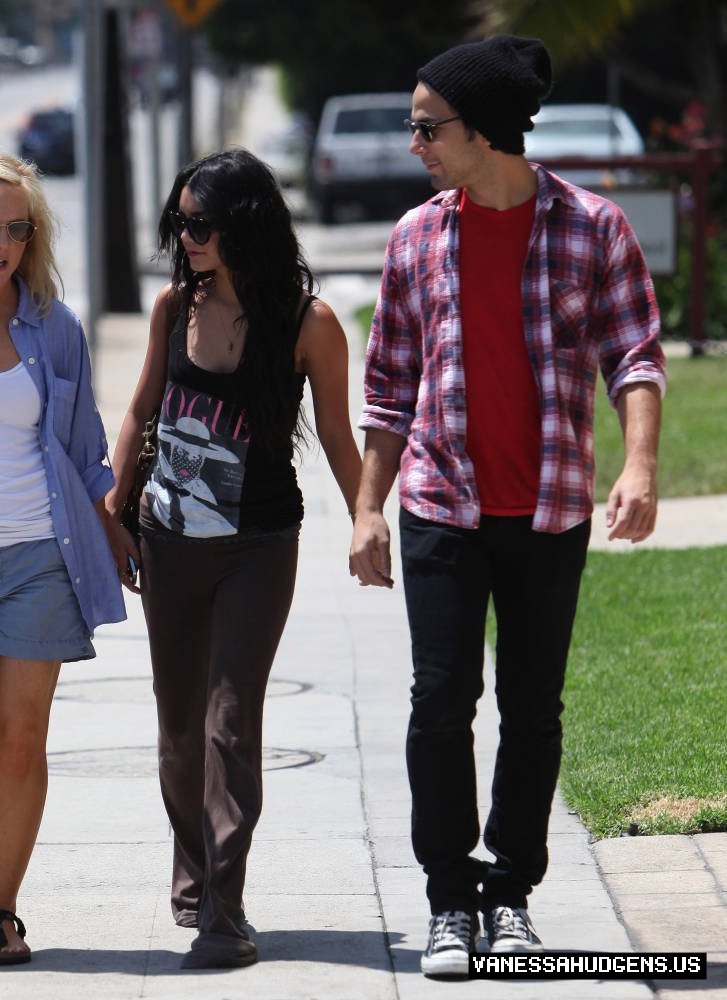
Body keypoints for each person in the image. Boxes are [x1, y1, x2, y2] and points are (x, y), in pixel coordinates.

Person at [349, 34, 665, 978]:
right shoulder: (415, 237)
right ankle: (450, 898)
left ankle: (510, 895)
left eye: (425, 128)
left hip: (549, 510)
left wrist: (640, 466)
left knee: (532, 710)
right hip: (441, 504)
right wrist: (368, 508)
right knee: (440, 701)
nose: (414, 145)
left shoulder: (592, 228)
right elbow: (388, 387)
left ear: (481, 130)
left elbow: (634, 356)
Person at [105, 148, 362, 970]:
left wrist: (369, 518)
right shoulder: (172, 307)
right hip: (168, 539)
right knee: (177, 725)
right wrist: (113, 511)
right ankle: (194, 872)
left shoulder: (306, 324)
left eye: (202, 224)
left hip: (258, 541)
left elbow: (333, 436)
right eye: (179, 223)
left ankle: (225, 905)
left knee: (228, 719)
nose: (187, 238)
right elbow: (140, 412)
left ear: (245, 223)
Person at [0, 154, 126, 965]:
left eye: (17, 228)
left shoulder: (53, 324)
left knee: (20, 736)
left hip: (41, 552)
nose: (4, 243)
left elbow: (85, 449)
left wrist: (119, 527)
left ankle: (1, 909)